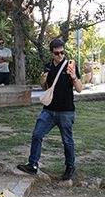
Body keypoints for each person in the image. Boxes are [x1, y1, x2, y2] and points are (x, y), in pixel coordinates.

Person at [17, 38, 84, 181]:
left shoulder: (70, 66)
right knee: (37, 135)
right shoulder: (48, 66)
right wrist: (42, 81)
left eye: (62, 52)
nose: (60, 56)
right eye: (57, 53)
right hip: (48, 110)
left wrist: (73, 77)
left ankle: (70, 167)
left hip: (66, 111)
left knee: (67, 140)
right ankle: (32, 165)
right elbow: (46, 88)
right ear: (51, 53)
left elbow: (79, 89)